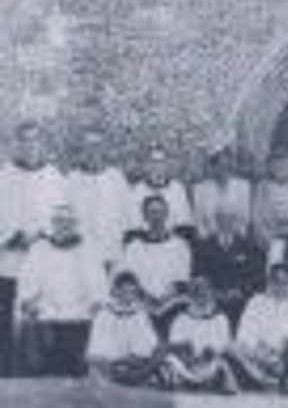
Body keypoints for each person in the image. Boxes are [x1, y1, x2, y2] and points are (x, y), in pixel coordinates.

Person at [18, 204, 109, 377]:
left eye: (69, 221)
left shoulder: (89, 249)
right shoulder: (39, 249)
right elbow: (27, 283)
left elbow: (99, 286)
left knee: (79, 360)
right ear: (52, 224)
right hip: (48, 314)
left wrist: (96, 304)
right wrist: (28, 302)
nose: (64, 226)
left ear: (76, 224)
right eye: (59, 221)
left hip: (80, 315)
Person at [231, 264, 288, 393]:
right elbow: (244, 334)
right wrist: (259, 351)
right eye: (276, 281)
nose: (280, 287)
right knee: (231, 347)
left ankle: (287, 383)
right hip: (258, 358)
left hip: (287, 358)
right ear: (269, 282)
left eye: (285, 282)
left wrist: (279, 349)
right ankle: (264, 380)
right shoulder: (256, 302)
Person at [119, 195, 191, 339]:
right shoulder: (134, 247)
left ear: (166, 215)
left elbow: (182, 278)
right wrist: (147, 299)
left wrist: (164, 299)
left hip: (172, 305)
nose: (156, 217)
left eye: (160, 212)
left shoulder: (180, 245)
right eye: (152, 212)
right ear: (144, 216)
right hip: (142, 305)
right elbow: (131, 279)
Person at [67, 125, 131, 274]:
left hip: (112, 259)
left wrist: (113, 254)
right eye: (88, 146)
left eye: (97, 146)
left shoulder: (116, 178)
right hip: (79, 260)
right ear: (82, 149)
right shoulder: (72, 179)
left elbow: (127, 222)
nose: (93, 151)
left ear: (104, 149)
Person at [195, 209, 266, 330]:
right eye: (221, 219)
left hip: (242, 302)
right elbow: (199, 274)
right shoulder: (204, 246)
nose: (226, 223)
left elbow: (257, 276)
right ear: (216, 221)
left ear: (236, 222)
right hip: (213, 302)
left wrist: (242, 291)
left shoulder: (248, 245)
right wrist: (214, 292)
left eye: (230, 219)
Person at [165, 277, 239, 393]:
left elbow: (224, 343)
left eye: (205, 293)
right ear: (192, 296)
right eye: (197, 293)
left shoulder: (220, 318)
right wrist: (187, 356)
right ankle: (182, 381)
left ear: (211, 295)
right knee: (170, 360)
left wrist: (211, 350)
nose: (202, 298)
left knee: (221, 364)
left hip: (208, 362)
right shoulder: (181, 318)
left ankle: (211, 382)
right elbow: (174, 342)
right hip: (187, 363)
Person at [86, 271, 159, 383]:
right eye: (126, 292)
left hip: (133, 362)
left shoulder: (139, 314)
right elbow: (98, 346)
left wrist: (139, 355)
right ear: (116, 291)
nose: (130, 296)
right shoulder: (105, 314)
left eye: (133, 292)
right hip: (109, 363)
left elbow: (148, 344)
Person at [252, 148, 288, 247]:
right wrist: (270, 237)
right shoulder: (263, 187)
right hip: (272, 241)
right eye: (276, 163)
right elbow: (257, 220)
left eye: (284, 163)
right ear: (270, 166)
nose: (280, 166)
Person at [128, 145, 193, 233]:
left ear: (167, 164)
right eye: (153, 162)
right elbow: (134, 221)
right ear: (147, 165)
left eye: (161, 162)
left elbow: (184, 220)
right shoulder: (138, 190)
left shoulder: (177, 189)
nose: (157, 167)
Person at [193, 147, 251, 239]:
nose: (223, 170)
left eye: (226, 166)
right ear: (212, 167)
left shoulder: (243, 186)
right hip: (209, 239)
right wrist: (209, 240)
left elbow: (245, 219)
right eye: (219, 165)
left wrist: (232, 238)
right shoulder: (200, 189)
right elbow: (199, 221)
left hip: (237, 239)